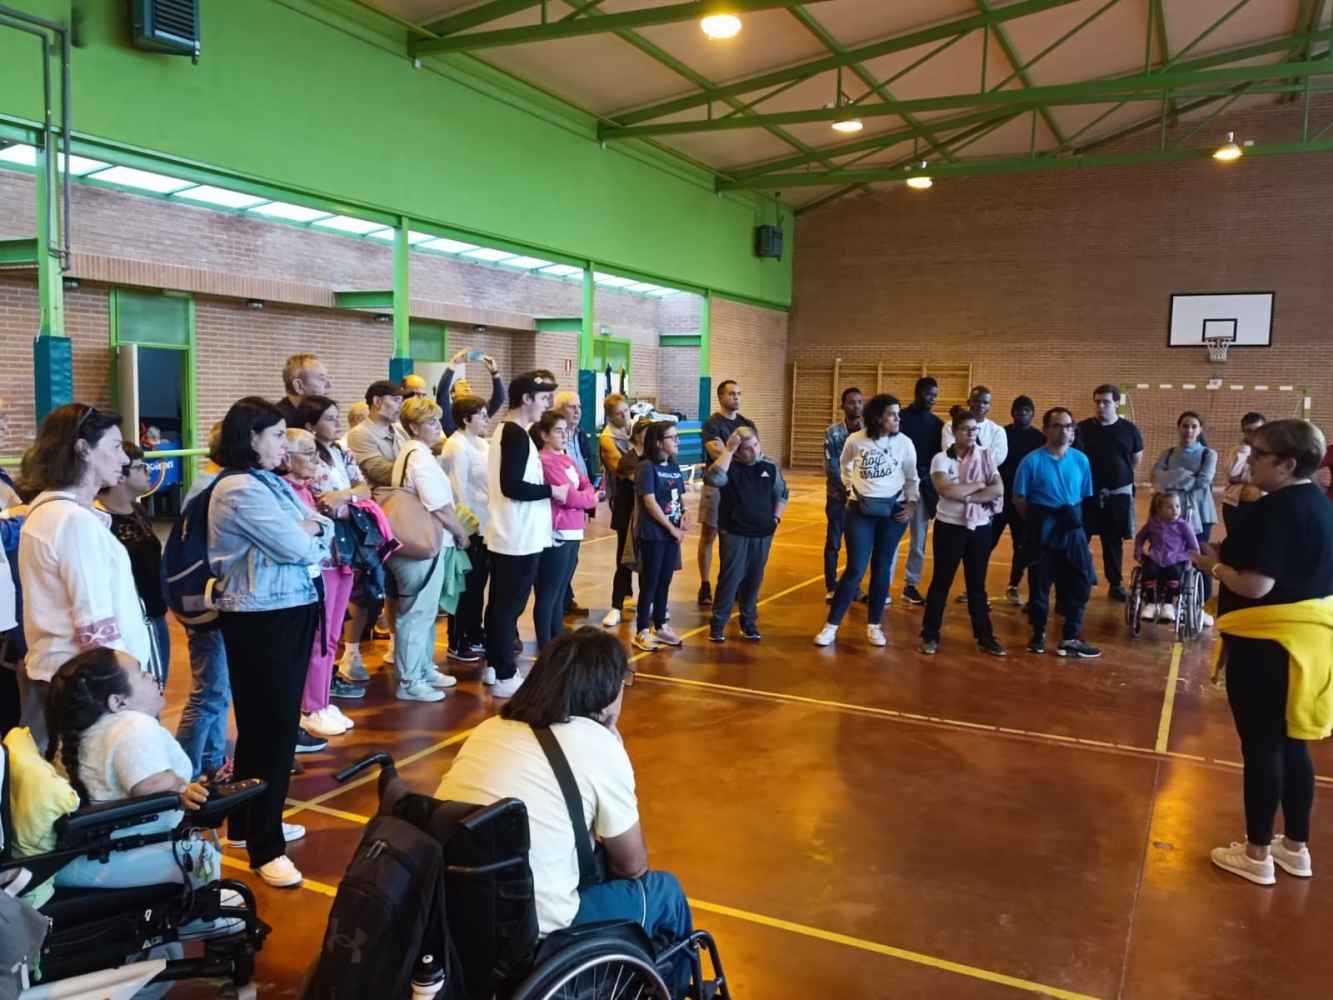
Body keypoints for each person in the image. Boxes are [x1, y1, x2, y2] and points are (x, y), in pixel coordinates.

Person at [435, 628, 694, 994]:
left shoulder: (489, 728)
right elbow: (631, 866)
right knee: (665, 893)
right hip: (536, 934)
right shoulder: (598, 746)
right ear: (606, 693)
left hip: (461, 910)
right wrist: (611, 744)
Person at [1190, 419, 1333, 886]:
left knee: (1262, 748)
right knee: (1294, 745)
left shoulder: (1276, 511)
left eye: (1258, 454)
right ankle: (1295, 847)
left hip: (1268, 643)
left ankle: (1256, 853)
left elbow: (1255, 584)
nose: (1247, 459)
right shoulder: (1320, 504)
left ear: (1288, 464)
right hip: (1308, 643)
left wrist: (1213, 566)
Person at [208, 396, 329, 888]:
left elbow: (316, 532)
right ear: (251, 438)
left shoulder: (268, 483)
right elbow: (300, 544)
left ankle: (248, 822)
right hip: (263, 616)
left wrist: (308, 528)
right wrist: (307, 529)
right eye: (277, 435)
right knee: (272, 730)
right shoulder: (240, 488)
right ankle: (266, 846)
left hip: (286, 608)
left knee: (267, 730)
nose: (285, 443)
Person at [17, 404, 151, 751]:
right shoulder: (71, 521)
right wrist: (124, 690)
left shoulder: (55, 513)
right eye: (115, 447)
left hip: (64, 676)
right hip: (89, 689)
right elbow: (94, 623)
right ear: (83, 449)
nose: (123, 459)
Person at [44, 647, 219, 892]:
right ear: (118, 701)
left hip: (74, 856)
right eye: (142, 673)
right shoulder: (134, 724)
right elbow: (150, 785)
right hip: (110, 859)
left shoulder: (78, 730)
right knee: (203, 857)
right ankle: (200, 923)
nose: (152, 676)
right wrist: (182, 787)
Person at [485, 371, 568, 699]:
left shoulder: (514, 432)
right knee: (508, 608)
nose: (547, 403)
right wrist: (553, 490)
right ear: (526, 399)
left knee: (500, 606)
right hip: (516, 537)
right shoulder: (515, 434)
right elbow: (513, 486)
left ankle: (495, 664)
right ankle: (505, 673)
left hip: (516, 534)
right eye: (543, 397)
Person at [814, 394, 919, 649]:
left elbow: (912, 476)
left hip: (893, 513)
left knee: (882, 567)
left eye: (898, 414)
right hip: (860, 511)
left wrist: (912, 504)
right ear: (878, 417)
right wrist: (852, 488)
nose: (897, 418)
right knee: (855, 568)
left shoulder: (905, 443)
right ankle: (831, 626)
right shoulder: (856, 440)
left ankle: (874, 626)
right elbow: (843, 464)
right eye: (892, 414)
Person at [388, 397, 470, 702]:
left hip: (426, 544)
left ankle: (423, 667)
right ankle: (409, 680)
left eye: (438, 421)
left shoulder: (414, 453)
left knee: (423, 613)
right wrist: (461, 533)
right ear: (414, 427)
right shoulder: (419, 457)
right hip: (423, 545)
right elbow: (438, 504)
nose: (438, 427)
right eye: (431, 422)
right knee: (416, 613)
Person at [279, 429, 358, 736]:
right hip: (316, 570)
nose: (316, 461)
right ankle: (311, 705)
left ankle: (322, 700)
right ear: (287, 457)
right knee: (319, 637)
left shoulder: (311, 487)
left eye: (316, 453)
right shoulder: (285, 489)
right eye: (308, 454)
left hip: (338, 561)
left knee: (332, 636)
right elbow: (304, 530)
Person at [293, 395, 372, 693]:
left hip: (345, 550)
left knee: (334, 628)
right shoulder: (305, 461)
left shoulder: (341, 452)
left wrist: (345, 497)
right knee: (320, 630)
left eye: (336, 417)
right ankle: (313, 699)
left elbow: (364, 489)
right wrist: (343, 500)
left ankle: (324, 693)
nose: (336, 424)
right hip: (321, 554)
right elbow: (318, 503)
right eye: (328, 418)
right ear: (310, 425)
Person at [1013, 408, 1100, 659]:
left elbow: (1082, 497)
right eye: (1058, 426)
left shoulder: (1081, 460)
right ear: (1046, 430)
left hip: (1072, 530)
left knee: (1081, 581)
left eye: (1069, 426)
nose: (1065, 431)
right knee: (1040, 584)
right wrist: (1038, 522)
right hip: (1043, 530)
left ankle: (1070, 637)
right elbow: (1019, 498)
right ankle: (1038, 634)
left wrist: (1077, 531)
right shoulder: (1031, 461)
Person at [919, 410, 1006, 657]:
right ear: (955, 432)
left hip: (980, 529)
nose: (971, 433)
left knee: (977, 585)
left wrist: (967, 494)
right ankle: (930, 634)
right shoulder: (941, 459)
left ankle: (985, 637)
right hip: (949, 528)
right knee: (941, 582)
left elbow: (998, 489)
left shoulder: (986, 457)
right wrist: (980, 486)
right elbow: (946, 490)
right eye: (966, 429)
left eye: (975, 429)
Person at [175, 423, 232, 779]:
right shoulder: (211, 490)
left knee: (218, 689)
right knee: (208, 691)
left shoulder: (212, 486)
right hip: (206, 603)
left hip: (210, 600)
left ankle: (210, 761)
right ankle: (185, 770)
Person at [97, 442, 169, 687]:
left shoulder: (138, 509)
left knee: (156, 686)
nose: (147, 472)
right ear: (120, 475)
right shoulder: (99, 519)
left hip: (155, 611)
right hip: (128, 617)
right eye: (140, 467)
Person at [705, 428, 787, 643]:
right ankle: (718, 624)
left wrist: (776, 518)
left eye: (756, 445)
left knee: (754, 579)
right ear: (738, 451)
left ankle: (748, 622)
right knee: (730, 578)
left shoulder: (769, 467)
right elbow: (713, 479)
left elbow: (782, 493)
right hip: (735, 532)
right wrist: (728, 450)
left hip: (763, 533)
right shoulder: (728, 466)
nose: (754, 451)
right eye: (747, 448)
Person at [532, 412, 598, 651]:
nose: (564, 435)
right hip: (558, 532)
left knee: (561, 590)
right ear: (544, 435)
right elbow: (570, 496)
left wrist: (585, 496)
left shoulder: (566, 458)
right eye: (558, 431)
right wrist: (587, 498)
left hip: (574, 531)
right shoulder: (546, 460)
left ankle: (556, 634)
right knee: (548, 592)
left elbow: (586, 484)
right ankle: (545, 642)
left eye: (566, 430)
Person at [1075, 384, 1142, 601]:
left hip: (1117, 495)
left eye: (1105, 402)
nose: (1101, 406)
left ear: (1116, 403)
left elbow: (1135, 460)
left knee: (1113, 542)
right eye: (1097, 402)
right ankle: (1079, 578)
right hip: (1087, 494)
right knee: (1079, 538)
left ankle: (1115, 584)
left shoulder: (1129, 429)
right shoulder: (1083, 428)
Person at [1151, 411, 1218, 620]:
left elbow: (1202, 482)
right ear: (1178, 427)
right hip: (1169, 513)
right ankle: (1165, 602)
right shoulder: (1168, 453)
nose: (1188, 430)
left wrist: (1171, 479)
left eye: (1193, 426)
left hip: (1200, 514)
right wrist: (1182, 476)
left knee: (1200, 558)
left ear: (1200, 430)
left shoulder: (1209, 454)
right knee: (1166, 554)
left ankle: (1203, 607)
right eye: (1185, 425)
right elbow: (1156, 477)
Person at [440, 394, 491, 663]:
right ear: (465, 419)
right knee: (465, 587)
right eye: (481, 415)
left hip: (487, 526)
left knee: (478, 586)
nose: (486, 419)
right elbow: (458, 492)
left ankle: (474, 632)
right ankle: (457, 640)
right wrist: (464, 530)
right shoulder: (456, 447)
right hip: (469, 527)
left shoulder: (482, 444)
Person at [696, 381, 756, 609]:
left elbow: (753, 454)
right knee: (709, 535)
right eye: (732, 394)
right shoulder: (712, 425)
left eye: (739, 394)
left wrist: (731, 451)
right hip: (716, 487)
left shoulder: (747, 424)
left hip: (739, 488)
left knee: (735, 538)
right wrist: (736, 452)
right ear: (720, 396)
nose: (736, 398)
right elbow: (717, 452)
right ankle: (704, 583)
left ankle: (731, 582)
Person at [633, 422, 686, 652]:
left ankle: (660, 625)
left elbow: (678, 497)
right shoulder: (646, 467)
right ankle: (642, 630)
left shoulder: (673, 466)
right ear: (657, 442)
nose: (677, 441)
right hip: (654, 534)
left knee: (665, 580)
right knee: (650, 581)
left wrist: (685, 516)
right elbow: (650, 502)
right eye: (672, 437)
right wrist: (670, 528)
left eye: (677, 437)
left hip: (672, 535)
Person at [992, 395, 1045, 606]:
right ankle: (973, 586)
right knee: (986, 542)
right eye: (1018, 410)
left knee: (1021, 545)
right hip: (999, 498)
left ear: (1032, 414)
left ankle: (1014, 584)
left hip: (1023, 500)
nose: (1022, 414)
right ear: (1012, 412)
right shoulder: (1001, 434)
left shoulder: (1039, 438)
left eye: (1026, 410)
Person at [897, 378, 943, 606]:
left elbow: (939, 458)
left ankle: (911, 585)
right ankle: (882, 585)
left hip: (923, 488)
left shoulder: (937, 424)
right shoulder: (901, 418)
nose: (932, 399)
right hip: (898, 487)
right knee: (892, 539)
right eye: (928, 394)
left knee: (919, 540)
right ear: (917, 393)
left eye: (935, 395)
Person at [553, 391, 593, 618]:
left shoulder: (581, 435)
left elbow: (586, 467)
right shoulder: (551, 438)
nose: (577, 411)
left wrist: (589, 503)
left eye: (579, 406)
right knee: (561, 559)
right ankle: (559, 601)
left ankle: (566, 598)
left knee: (573, 557)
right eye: (571, 407)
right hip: (561, 508)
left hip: (580, 503)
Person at [823, 387, 864, 602]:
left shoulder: (868, 432)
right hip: (838, 497)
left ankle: (853, 586)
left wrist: (860, 490)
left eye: (859, 402)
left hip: (862, 498)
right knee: (834, 542)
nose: (855, 406)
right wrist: (847, 489)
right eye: (851, 402)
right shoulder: (833, 432)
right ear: (842, 405)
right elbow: (831, 466)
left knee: (858, 544)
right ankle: (831, 586)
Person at [598, 395, 636, 628]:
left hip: (642, 495)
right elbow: (623, 468)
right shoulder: (607, 438)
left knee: (648, 549)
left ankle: (647, 600)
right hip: (623, 497)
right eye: (620, 414)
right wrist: (639, 446)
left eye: (627, 411)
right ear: (611, 416)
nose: (626, 416)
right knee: (624, 551)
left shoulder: (633, 430)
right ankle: (617, 604)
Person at [1133, 491, 1199, 622]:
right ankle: (1151, 603)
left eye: (1178, 506)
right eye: (1170, 507)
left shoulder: (1183, 526)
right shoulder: (1152, 524)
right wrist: (1138, 550)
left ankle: (1168, 605)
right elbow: (1140, 537)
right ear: (1159, 509)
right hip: (1156, 557)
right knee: (1149, 571)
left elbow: (1194, 547)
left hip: (1176, 560)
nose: (1175, 510)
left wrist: (1187, 558)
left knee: (1174, 572)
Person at [347, 379, 407, 488]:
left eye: (401, 401)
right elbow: (382, 473)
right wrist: (420, 469)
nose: (401, 406)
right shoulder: (359, 434)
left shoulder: (400, 430)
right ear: (377, 402)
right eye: (396, 400)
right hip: (383, 501)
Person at [435, 349, 505, 435]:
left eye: (468, 385)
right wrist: (453, 364)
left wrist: (495, 372)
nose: (467, 387)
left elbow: (499, 398)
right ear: (453, 394)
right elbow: (442, 392)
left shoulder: (477, 411)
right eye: (462, 385)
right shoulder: (449, 413)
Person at [1221, 412, 1266, 534]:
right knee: (1234, 540)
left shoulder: (1271, 452)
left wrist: (1244, 479)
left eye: (1257, 430)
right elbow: (1232, 475)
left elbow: (1265, 478)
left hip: (1262, 504)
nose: (1253, 434)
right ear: (1243, 432)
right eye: (1248, 431)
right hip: (1234, 504)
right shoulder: (1236, 451)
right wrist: (1244, 450)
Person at [275, 353, 332, 426]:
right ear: (299, 386)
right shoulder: (277, 422)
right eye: (321, 379)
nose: (329, 386)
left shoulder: (315, 415)